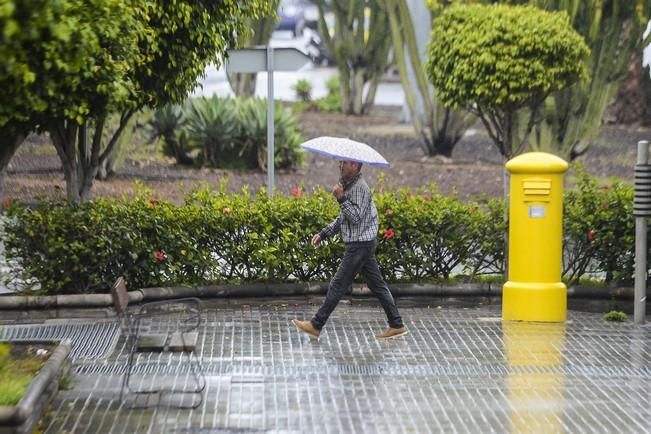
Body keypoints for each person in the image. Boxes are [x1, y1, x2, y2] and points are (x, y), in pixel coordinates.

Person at [292, 159, 408, 340]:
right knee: (378, 286)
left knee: (338, 285)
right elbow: (343, 218)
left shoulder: (360, 188)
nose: (340, 165)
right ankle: (397, 324)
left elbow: (355, 218)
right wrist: (323, 234)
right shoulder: (350, 185)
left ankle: (316, 325)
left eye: (345, 163)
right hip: (361, 243)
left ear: (355, 165)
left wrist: (340, 198)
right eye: (340, 162)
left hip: (359, 245)